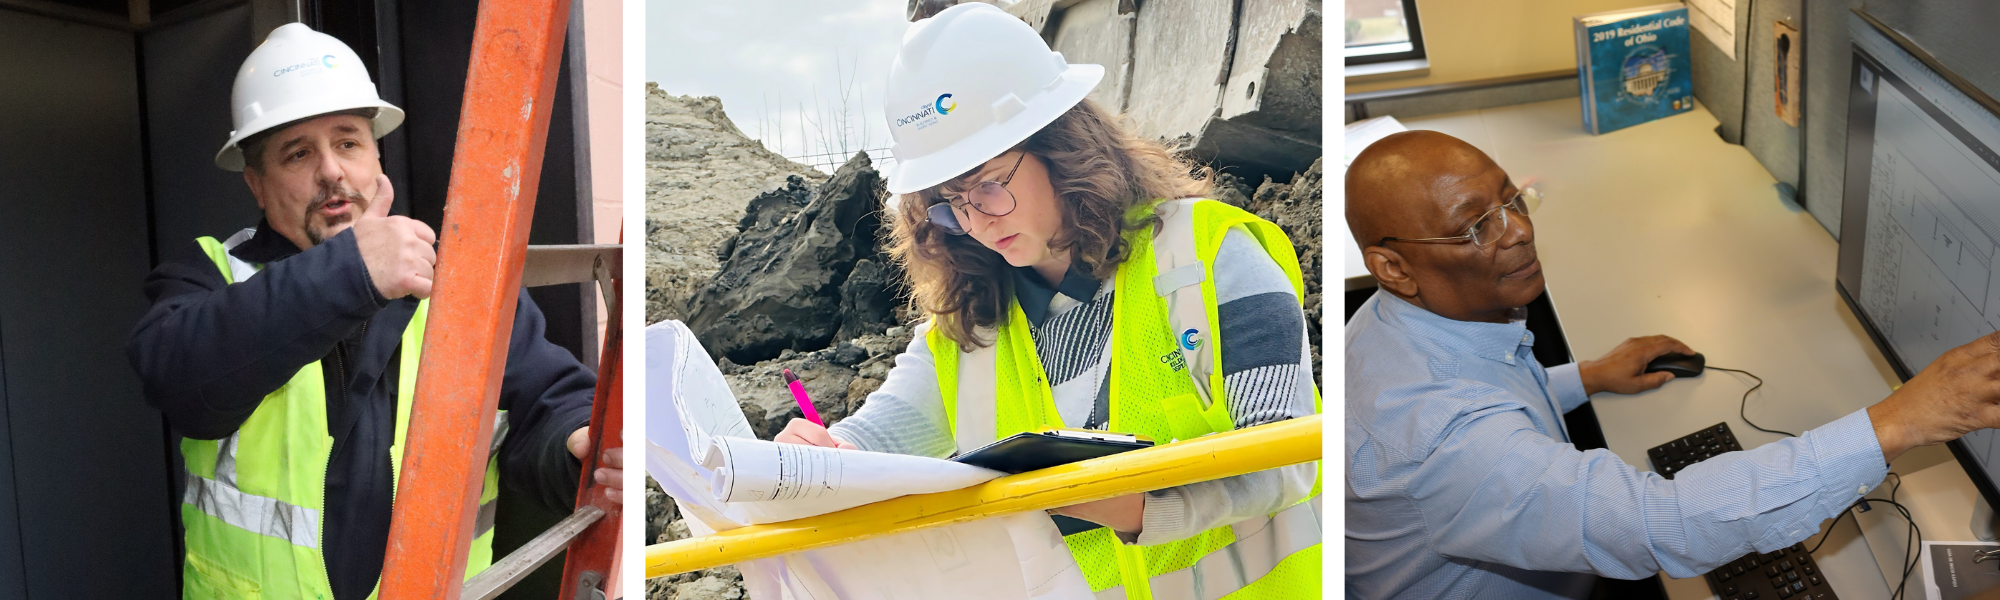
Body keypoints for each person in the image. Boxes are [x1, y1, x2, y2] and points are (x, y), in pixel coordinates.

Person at [768, 4, 1320, 598]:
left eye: (988, 183)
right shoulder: (965, 331)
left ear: (1062, 145)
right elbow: (872, 444)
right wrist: (824, 454)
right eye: (951, 201)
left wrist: (1142, 506)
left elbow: (1287, 457)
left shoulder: (1213, 256)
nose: (976, 219)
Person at [1344, 130, 2000, 599]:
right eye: (1474, 226)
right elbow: (1655, 528)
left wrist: (1590, 376)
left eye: (1513, 200)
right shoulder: (1439, 438)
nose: (1516, 230)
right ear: (1393, 267)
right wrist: (1898, 422)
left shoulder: (1397, 329)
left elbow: (1485, 398)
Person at [125, 23, 620, 600]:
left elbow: (553, 400)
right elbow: (178, 377)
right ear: (257, 185)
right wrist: (351, 272)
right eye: (298, 152)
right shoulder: (209, 277)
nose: (332, 171)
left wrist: (576, 445)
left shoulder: (463, 284)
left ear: (375, 158)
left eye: (348, 142)